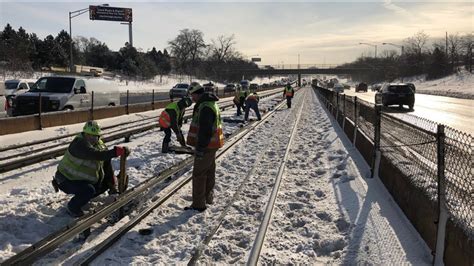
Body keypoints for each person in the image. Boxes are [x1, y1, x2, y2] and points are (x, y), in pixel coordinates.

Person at [52, 120, 130, 217]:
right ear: (84, 134)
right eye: (89, 135)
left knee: (102, 184)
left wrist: (112, 186)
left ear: (98, 136)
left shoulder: (99, 144)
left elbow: (106, 164)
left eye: (94, 136)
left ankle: (84, 197)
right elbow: (96, 154)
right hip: (65, 179)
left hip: (79, 179)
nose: (91, 139)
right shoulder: (79, 144)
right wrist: (114, 152)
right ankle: (73, 207)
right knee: (88, 190)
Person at [185, 82, 224, 212]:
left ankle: (198, 204)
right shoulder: (210, 103)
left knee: (199, 174)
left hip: (206, 145)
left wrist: (200, 148)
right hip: (212, 144)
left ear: (197, 93)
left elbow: (205, 130)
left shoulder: (205, 107)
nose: (192, 98)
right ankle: (208, 198)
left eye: (192, 95)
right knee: (209, 171)